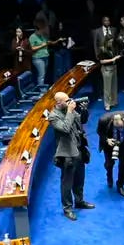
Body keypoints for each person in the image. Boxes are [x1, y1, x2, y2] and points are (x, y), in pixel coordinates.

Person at [49, 92, 93, 221]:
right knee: (67, 183)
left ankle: (79, 201)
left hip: (78, 149)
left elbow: (82, 121)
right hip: (67, 154)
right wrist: (69, 111)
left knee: (80, 178)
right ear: (59, 102)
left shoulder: (70, 110)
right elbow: (65, 128)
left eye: (69, 100)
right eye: (66, 101)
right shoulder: (53, 116)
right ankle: (67, 208)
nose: (69, 102)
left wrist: (84, 110)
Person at [98, 112, 124, 197]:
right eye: (116, 125)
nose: (118, 127)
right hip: (109, 144)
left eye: (120, 126)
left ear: (123, 120)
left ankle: (120, 185)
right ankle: (109, 175)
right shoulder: (103, 120)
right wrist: (107, 140)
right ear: (112, 121)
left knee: (123, 164)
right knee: (109, 164)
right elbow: (99, 132)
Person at [98, 32, 122, 111]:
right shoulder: (102, 49)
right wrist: (112, 59)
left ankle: (113, 101)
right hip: (107, 69)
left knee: (114, 86)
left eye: (112, 41)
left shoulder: (112, 47)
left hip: (114, 67)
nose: (111, 43)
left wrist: (117, 57)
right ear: (106, 41)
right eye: (109, 41)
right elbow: (101, 61)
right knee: (107, 88)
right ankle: (107, 104)